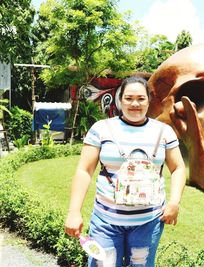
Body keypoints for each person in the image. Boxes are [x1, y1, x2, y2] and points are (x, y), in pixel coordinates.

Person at [64, 76, 186, 266]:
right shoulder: (101, 129)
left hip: (148, 222)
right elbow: (84, 171)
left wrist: (174, 202)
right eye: (128, 98)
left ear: (149, 100)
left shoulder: (164, 132)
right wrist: (74, 212)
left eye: (140, 98)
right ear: (119, 100)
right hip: (106, 222)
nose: (134, 103)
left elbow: (178, 168)